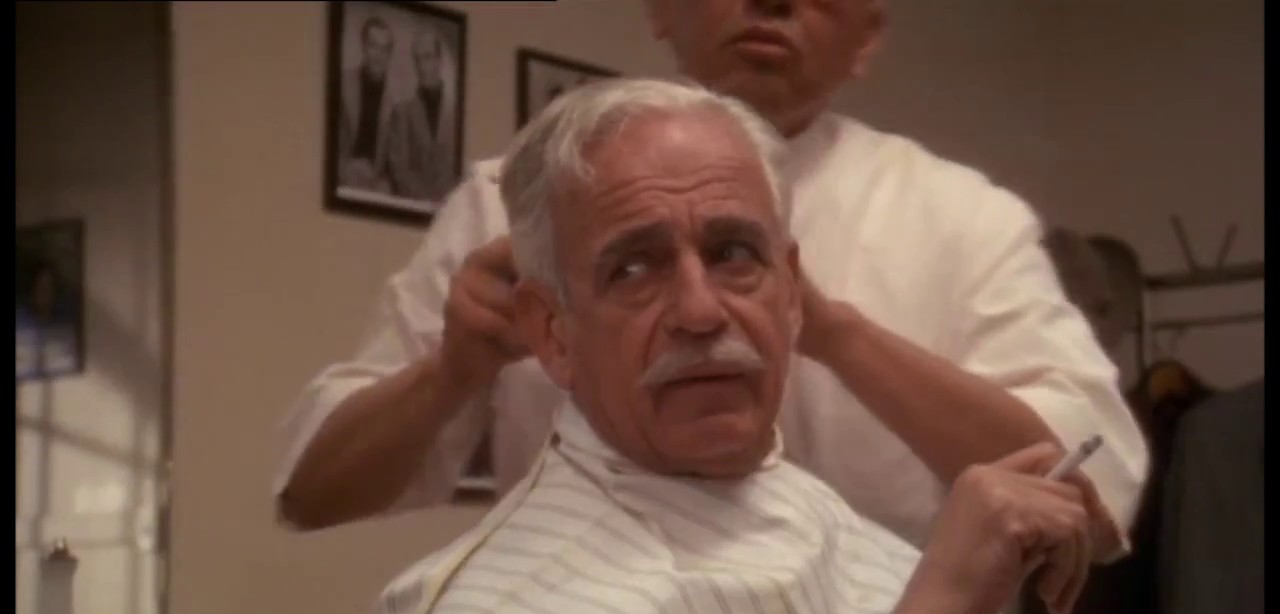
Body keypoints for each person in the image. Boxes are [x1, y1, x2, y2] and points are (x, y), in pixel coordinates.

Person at [278, 0, 1145, 565]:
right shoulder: (510, 205)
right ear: (661, 5)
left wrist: (834, 332)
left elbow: (1089, 498)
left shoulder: (965, 220)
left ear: (869, 36)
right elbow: (314, 495)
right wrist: (450, 371)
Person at [357, 79, 1093, 614]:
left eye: (734, 254)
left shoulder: (868, 552)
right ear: (552, 332)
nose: (701, 312)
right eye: (634, 269)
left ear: (791, 295)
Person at [386, 28, 456, 203]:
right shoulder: (402, 112)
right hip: (413, 205)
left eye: (427, 57)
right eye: (417, 59)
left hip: (450, 207)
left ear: (439, 61)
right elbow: (399, 169)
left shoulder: (456, 114)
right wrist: (424, 200)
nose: (422, 66)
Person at [338, 16, 396, 192]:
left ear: (390, 54)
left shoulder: (396, 101)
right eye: (373, 46)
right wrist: (344, 169)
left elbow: (394, 162)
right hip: (340, 182)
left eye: (384, 49)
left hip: (375, 188)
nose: (378, 55)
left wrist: (383, 182)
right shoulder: (342, 84)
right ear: (363, 47)